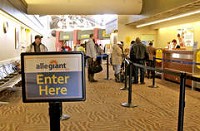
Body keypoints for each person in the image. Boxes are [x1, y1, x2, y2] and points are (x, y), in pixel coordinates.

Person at [26, 35, 68, 121]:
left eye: (40, 39)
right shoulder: (30, 46)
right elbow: (26, 55)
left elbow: (46, 54)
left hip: (41, 64)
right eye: (38, 39)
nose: (39, 40)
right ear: (36, 39)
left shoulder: (43, 46)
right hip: (33, 64)